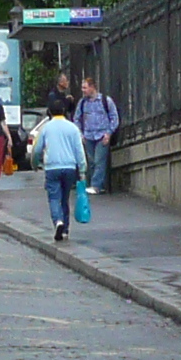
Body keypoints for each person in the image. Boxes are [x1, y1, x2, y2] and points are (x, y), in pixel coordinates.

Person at [34, 102, 86, 244]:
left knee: (54, 197)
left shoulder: (45, 129)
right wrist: (82, 169)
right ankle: (65, 230)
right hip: (69, 167)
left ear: (49, 112)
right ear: (63, 111)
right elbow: (79, 151)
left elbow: (37, 149)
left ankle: (58, 221)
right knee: (65, 198)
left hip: (52, 167)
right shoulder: (73, 128)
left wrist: (35, 164)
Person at [77, 74, 119, 196]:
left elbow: (114, 117)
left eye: (85, 88)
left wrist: (109, 133)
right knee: (91, 162)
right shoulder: (82, 103)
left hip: (102, 135)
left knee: (99, 160)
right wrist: (81, 134)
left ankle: (96, 185)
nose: (83, 90)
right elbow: (77, 118)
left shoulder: (106, 101)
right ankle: (94, 184)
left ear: (92, 87)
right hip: (89, 135)